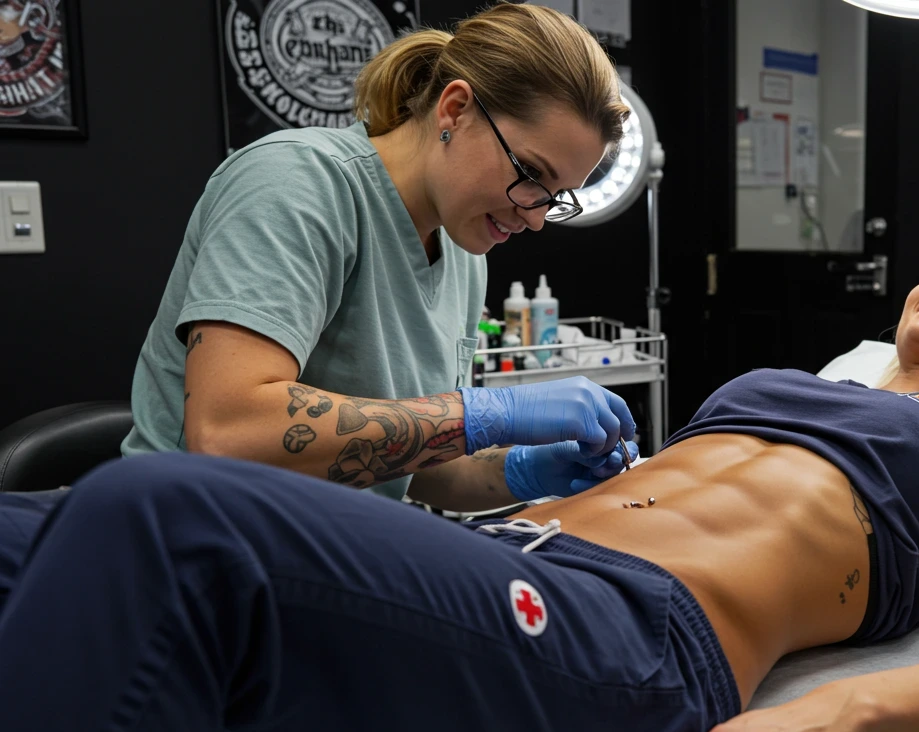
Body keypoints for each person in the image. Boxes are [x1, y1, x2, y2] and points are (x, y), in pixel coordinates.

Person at [0, 235, 919, 732]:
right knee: (34, 531)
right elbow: (609, 494)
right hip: (492, 564)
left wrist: (847, 713)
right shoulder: (778, 381)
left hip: (626, 636)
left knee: (168, 515)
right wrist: (511, 468)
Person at [122, 1, 637, 508]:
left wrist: (525, 470)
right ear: (455, 110)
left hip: (329, 545)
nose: (536, 217)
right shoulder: (298, 184)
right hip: (193, 539)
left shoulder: (462, 254)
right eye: (529, 174)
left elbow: (408, 464)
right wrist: (482, 412)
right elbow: (228, 432)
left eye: (557, 197)